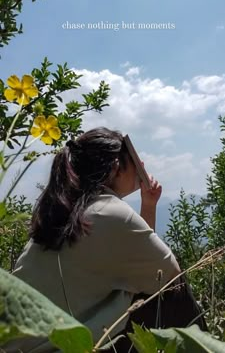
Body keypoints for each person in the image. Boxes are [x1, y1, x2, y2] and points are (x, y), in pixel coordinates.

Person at [4, 127, 207, 353]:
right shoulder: (110, 212)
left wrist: (148, 206)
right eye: (135, 161)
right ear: (116, 167)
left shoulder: (64, 211)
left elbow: (139, 261)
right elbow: (167, 278)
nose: (143, 167)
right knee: (176, 293)